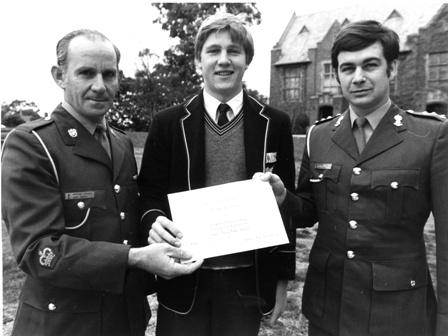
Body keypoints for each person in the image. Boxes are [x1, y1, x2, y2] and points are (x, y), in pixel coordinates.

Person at [1, 29, 202, 336]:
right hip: (65, 325)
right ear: (60, 76)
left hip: (125, 320)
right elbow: (38, 250)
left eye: (109, 74)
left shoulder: (120, 142)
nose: (100, 86)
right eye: (86, 73)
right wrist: (135, 259)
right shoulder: (32, 144)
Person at [256, 20, 448, 336]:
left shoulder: (430, 136)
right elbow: (308, 210)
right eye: (346, 68)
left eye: (369, 65)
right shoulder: (318, 136)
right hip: (328, 307)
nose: (357, 77)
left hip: (398, 314)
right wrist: (283, 198)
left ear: (392, 69)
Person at [137, 12, 296, 336]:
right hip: (185, 278)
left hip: (246, 283)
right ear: (198, 61)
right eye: (213, 51)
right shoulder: (168, 124)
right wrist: (155, 223)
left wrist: (282, 277)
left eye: (233, 51)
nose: (223, 60)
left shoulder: (275, 123)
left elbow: (286, 206)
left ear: (247, 60)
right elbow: (149, 193)